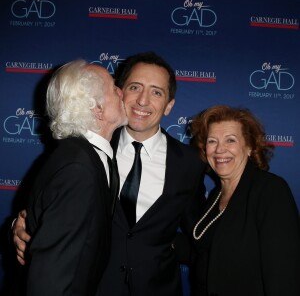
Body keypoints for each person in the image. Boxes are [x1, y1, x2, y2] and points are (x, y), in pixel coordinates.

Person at [13, 52, 206, 296]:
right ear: (120, 91)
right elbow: (42, 207)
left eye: (156, 92)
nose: (143, 101)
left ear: (169, 106)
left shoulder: (189, 163)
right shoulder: (89, 149)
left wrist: (164, 246)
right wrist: (18, 226)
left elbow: (200, 235)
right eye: (135, 87)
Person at [21, 59, 128, 296]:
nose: (122, 91)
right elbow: (51, 276)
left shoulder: (86, 157)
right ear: (97, 109)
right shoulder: (78, 168)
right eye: (113, 88)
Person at [188, 105, 300, 296]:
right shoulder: (216, 195)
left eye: (230, 140)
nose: (219, 149)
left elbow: (284, 277)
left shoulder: (270, 191)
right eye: (212, 141)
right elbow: (207, 250)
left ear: (249, 147)